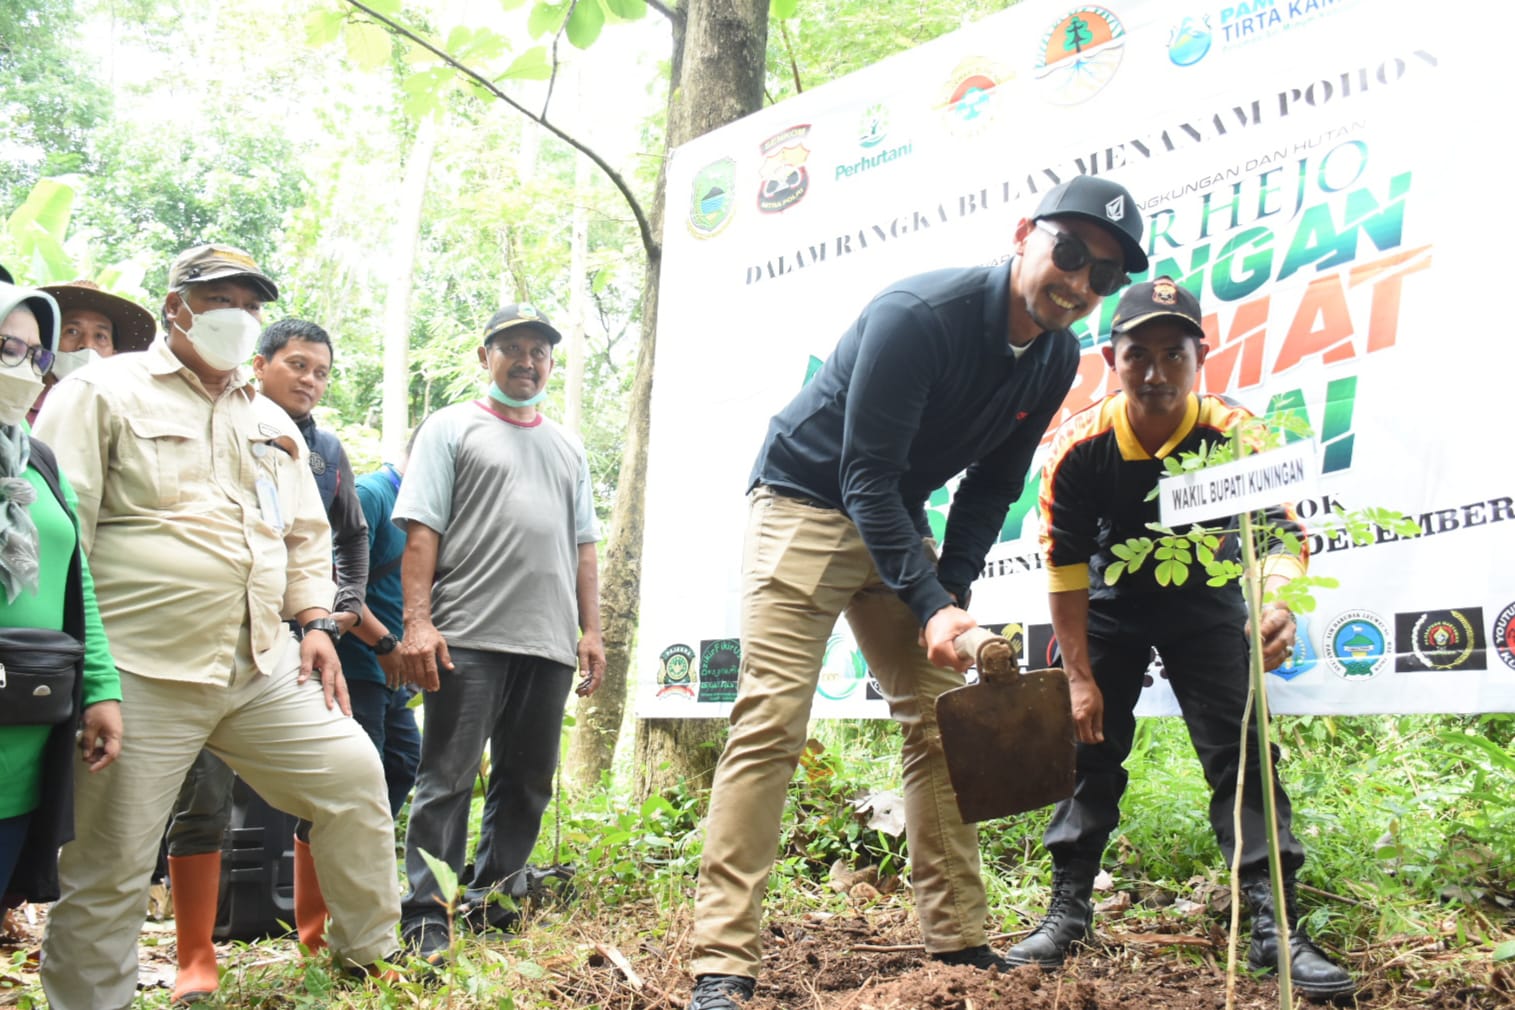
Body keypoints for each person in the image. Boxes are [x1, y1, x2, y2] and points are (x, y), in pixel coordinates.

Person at [687, 175, 1149, 1010]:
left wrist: (951, 597)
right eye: (1070, 253)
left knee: (944, 722)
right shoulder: (917, 316)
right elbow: (862, 475)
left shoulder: (1051, 356)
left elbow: (990, 487)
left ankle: (958, 941)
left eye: (1104, 275)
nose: (1079, 283)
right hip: (804, 499)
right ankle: (723, 961)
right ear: (1024, 235)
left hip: (894, 519)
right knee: (771, 722)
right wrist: (930, 603)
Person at [33, 244, 400, 1009]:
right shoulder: (103, 392)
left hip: (261, 664)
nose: (240, 316)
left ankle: (368, 959)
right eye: (221, 299)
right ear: (178, 307)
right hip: (138, 672)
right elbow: (63, 539)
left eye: (251, 303)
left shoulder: (270, 418)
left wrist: (314, 621)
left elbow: (305, 534)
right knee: (110, 866)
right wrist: (89, 675)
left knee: (352, 777)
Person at [1009, 276, 1353, 999]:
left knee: (1242, 752)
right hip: (1110, 600)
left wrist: (1277, 602)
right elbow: (1064, 571)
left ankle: (1272, 924)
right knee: (1088, 746)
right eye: (1138, 355)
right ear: (1112, 357)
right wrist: (1078, 678)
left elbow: (1277, 535)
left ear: (1203, 355)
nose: (1156, 373)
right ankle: (1067, 910)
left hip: (1205, 599)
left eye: (1174, 354)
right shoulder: (1078, 447)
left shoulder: (1235, 433)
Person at [161, 317, 372, 982]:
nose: (309, 379)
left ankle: (316, 940)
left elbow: (349, 537)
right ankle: (196, 956)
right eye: (297, 365)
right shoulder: (214, 421)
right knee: (204, 796)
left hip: (293, 646)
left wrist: (337, 614)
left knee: (329, 783)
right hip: (200, 643)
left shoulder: (327, 450)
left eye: (320, 370)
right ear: (259, 364)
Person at [395, 304, 605, 963]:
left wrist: (591, 631)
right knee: (448, 777)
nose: (527, 360)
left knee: (527, 780)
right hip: (468, 636)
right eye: (511, 347)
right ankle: (428, 913)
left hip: (547, 643)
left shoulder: (567, 444)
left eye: (539, 351)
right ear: (484, 355)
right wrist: (418, 622)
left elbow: (585, 548)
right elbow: (421, 531)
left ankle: (495, 901)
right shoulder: (451, 427)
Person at [0, 280, 122, 909]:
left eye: (30, 353)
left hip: (24, 733)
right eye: (3, 345)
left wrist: (100, 690)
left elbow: (82, 592)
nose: (17, 365)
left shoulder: (40, 463)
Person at [333, 425, 427, 819]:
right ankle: (332, 871)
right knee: (358, 776)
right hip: (358, 664)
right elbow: (337, 582)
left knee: (404, 762)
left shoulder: (421, 510)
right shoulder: (372, 494)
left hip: (393, 674)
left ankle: (366, 857)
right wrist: (384, 644)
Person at [27, 279, 155, 425]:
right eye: (72, 331)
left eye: (100, 336)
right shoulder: (17, 406)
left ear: (114, 354)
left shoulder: (124, 419)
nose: (87, 345)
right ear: (47, 341)